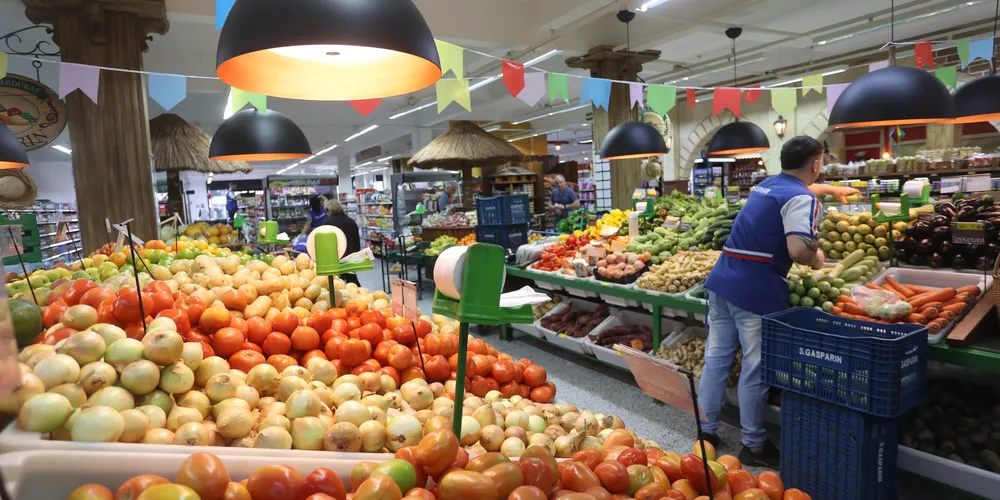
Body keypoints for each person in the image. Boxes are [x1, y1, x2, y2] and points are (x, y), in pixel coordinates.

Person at [698, 136, 859, 468]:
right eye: (822, 163)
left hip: (722, 281)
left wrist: (830, 191)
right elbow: (798, 250)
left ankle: (706, 431)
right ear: (816, 164)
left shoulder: (767, 185)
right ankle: (754, 444)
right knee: (756, 370)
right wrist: (817, 258)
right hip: (756, 291)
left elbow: (797, 193)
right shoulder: (800, 198)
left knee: (716, 359)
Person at [320, 199, 362, 286]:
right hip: (350, 257)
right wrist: (356, 254)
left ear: (329, 210)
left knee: (337, 285)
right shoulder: (351, 222)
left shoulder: (327, 222)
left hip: (335, 258)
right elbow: (356, 241)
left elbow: (324, 244)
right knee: (353, 283)